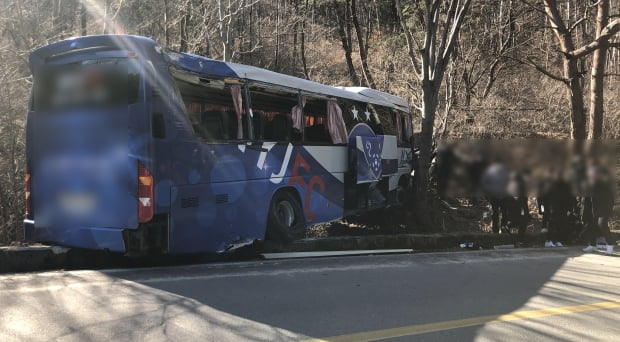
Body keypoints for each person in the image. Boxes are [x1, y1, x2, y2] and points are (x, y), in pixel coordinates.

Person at [582, 165, 615, 255]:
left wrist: (609, 207)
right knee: (591, 225)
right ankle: (592, 245)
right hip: (592, 208)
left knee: (602, 224)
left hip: (603, 207)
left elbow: (610, 197)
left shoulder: (604, 182)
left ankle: (610, 244)